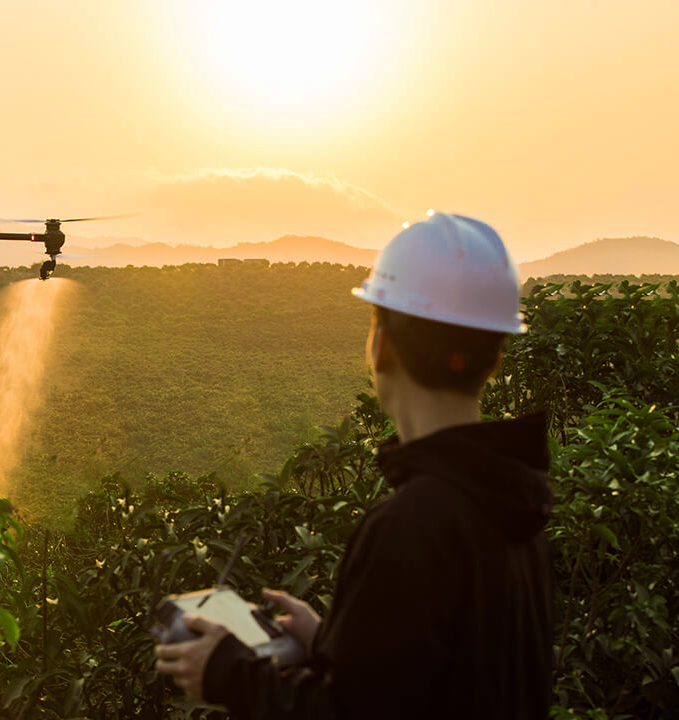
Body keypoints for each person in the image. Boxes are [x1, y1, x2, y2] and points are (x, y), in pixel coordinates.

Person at [155, 213, 553, 718]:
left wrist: (229, 673)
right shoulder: (517, 503)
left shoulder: (412, 525)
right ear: (493, 360)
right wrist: (330, 641)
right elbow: (443, 681)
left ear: (380, 346)